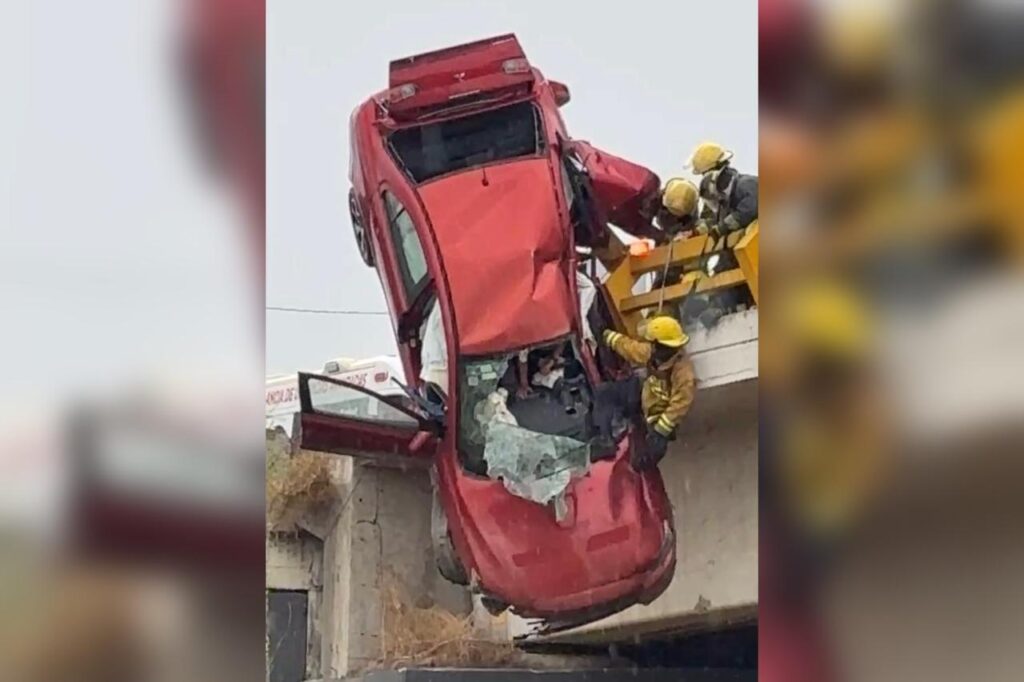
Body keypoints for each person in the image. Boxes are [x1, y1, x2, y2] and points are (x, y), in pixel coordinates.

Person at [590, 316, 696, 470]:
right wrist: (606, 335)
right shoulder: (654, 354)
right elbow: (630, 348)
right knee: (604, 393)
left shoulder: (683, 372)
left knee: (647, 457)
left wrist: (660, 431)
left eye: (654, 343)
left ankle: (640, 468)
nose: (651, 347)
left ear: (663, 346)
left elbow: (680, 404)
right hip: (643, 397)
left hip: (658, 417)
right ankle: (605, 440)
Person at [688, 141, 759, 236]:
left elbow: (748, 210)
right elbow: (717, 221)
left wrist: (722, 228)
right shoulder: (725, 201)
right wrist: (697, 232)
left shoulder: (747, 184)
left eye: (704, 174)